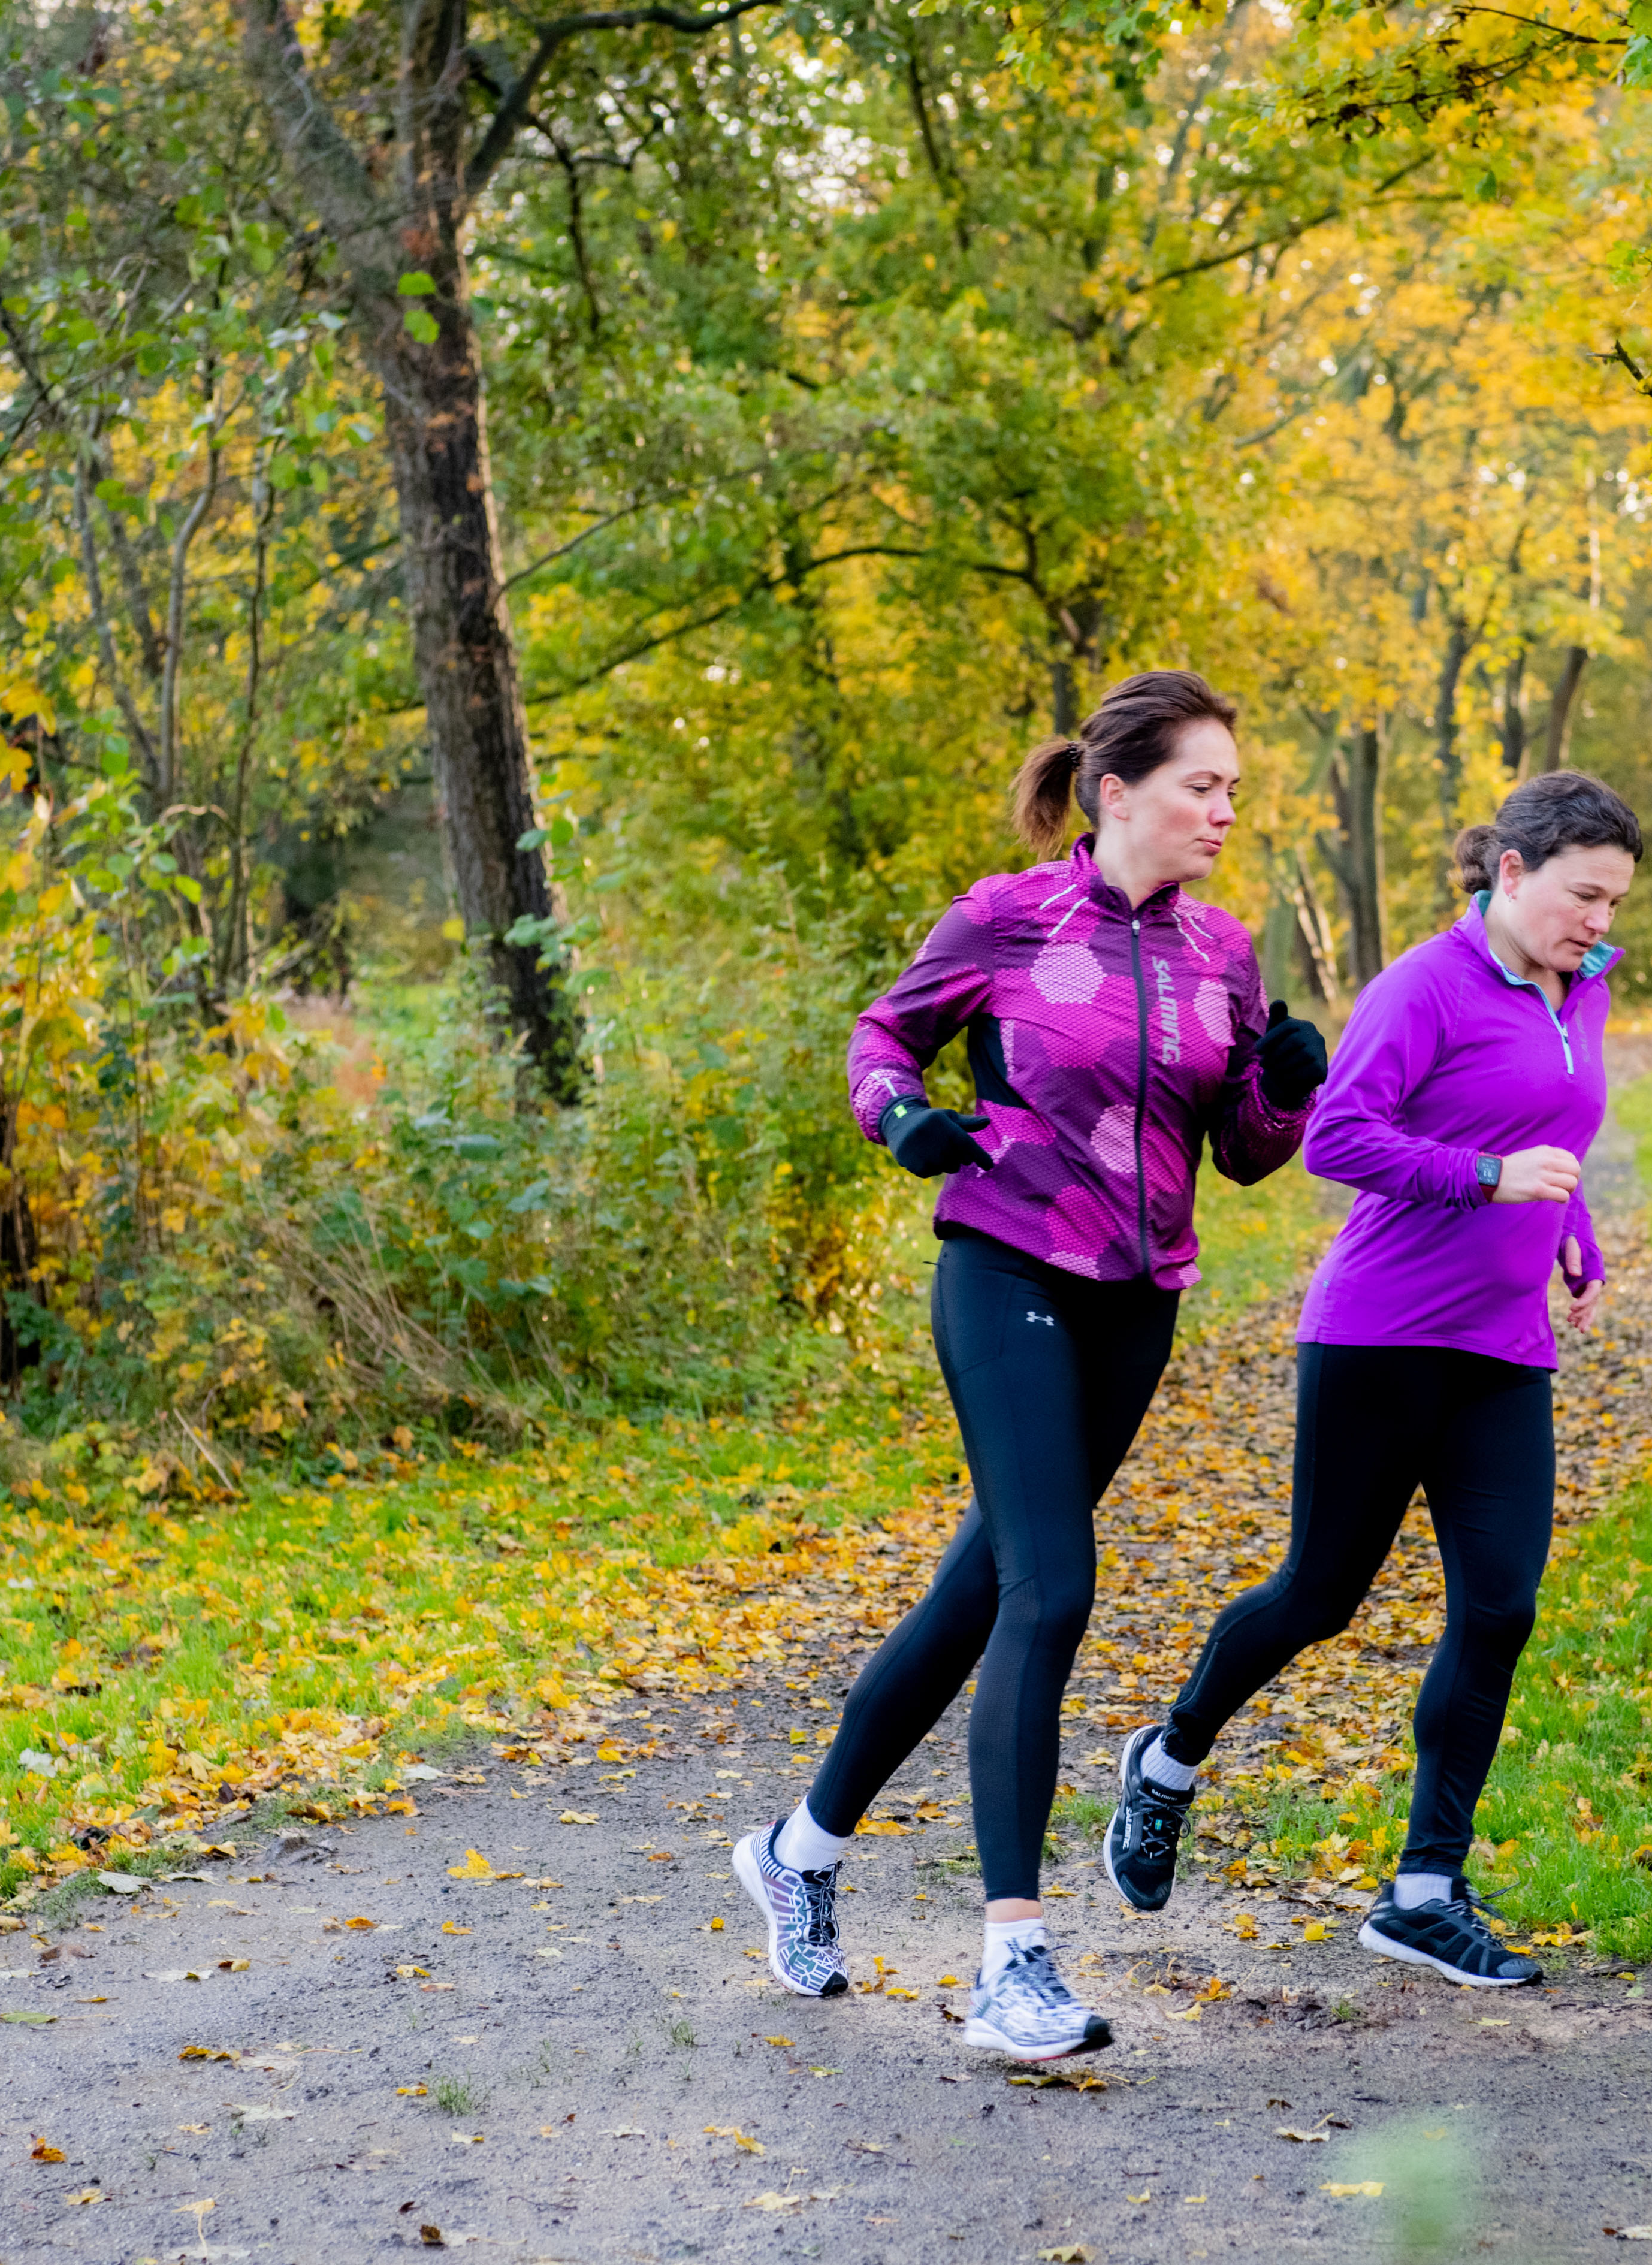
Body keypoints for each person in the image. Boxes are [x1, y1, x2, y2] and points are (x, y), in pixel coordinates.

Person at [731, 669, 1328, 2061]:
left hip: (1136, 1304)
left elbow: (1242, 1154)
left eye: (1235, 789)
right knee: (1051, 1591)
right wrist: (904, 1121)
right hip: (1004, 1266)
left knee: (974, 1598)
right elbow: (883, 1036)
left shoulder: (1222, 953)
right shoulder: (1006, 917)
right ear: (1116, 792)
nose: (1226, 810)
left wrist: (1286, 1081)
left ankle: (798, 1852)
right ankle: (1013, 1960)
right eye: (1204, 785)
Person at [1100, 769, 1641, 1988]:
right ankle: (1170, 1760)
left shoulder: (1586, 990)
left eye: (1613, 902)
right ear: (1510, 872)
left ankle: (1422, 1890)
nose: (1598, 922)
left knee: (1499, 1609)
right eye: (1581, 896)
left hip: (1504, 1348)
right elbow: (1338, 1138)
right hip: (1381, 1334)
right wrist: (1490, 1183)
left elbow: (1556, 1129)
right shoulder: (1424, 986)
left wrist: (1573, 1234)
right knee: (1320, 1594)